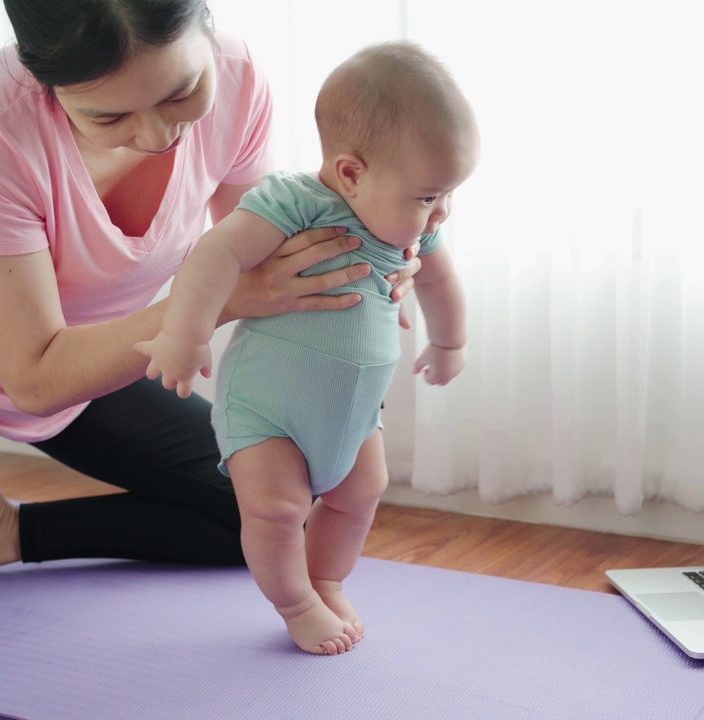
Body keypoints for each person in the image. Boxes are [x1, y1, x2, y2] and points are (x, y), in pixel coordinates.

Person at [0, 0, 425, 687]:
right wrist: (221, 300)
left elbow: (264, 251)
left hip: (93, 357)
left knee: (270, 511)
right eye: (108, 117)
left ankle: (4, 531)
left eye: (181, 94)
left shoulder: (238, 76)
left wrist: (378, 244)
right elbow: (34, 376)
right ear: (47, 86)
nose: (157, 135)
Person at [134, 41, 478, 655]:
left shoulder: (412, 227)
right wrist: (184, 334)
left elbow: (440, 278)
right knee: (275, 510)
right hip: (269, 409)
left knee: (360, 492)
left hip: (352, 412)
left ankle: (325, 580)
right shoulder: (292, 203)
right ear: (351, 173)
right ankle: (294, 604)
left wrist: (450, 341)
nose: (440, 213)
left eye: (448, 194)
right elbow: (217, 255)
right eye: (428, 196)